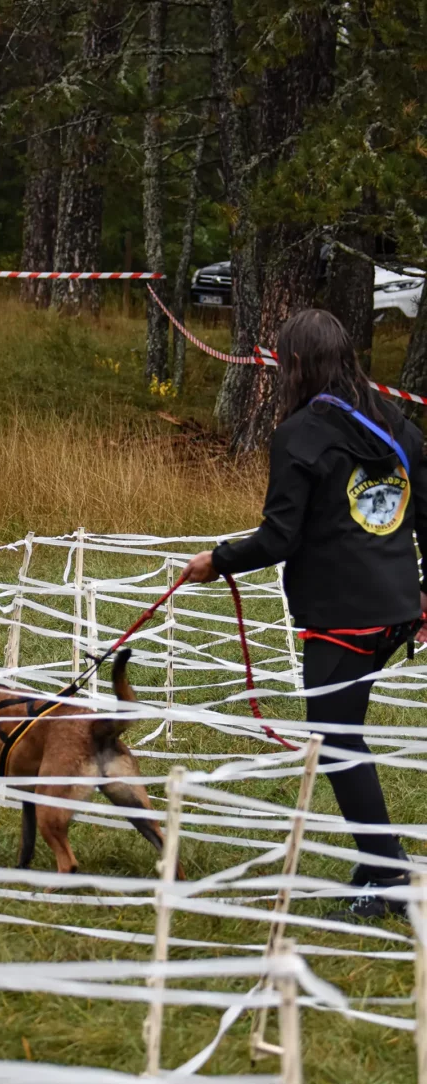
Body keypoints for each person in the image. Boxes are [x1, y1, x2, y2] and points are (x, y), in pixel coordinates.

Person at [183, 309, 427, 919]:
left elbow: (279, 537)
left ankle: (389, 875)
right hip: (392, 611)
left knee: (337, 740)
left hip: (345, 616)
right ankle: (378, 862)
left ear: (295, 364)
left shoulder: (299, 434)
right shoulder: (397, 423)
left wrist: (218, 559)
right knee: (346, 733)